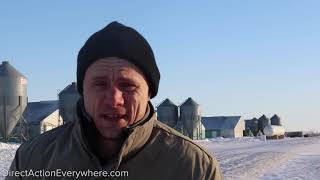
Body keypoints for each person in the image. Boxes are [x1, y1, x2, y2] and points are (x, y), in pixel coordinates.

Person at [7, 21, 223, 180]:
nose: (113, 99)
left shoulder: (194, 168)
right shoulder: (33, 160)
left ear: (150, 92)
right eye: (99, 84)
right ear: (82, 90)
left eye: (128, 85)